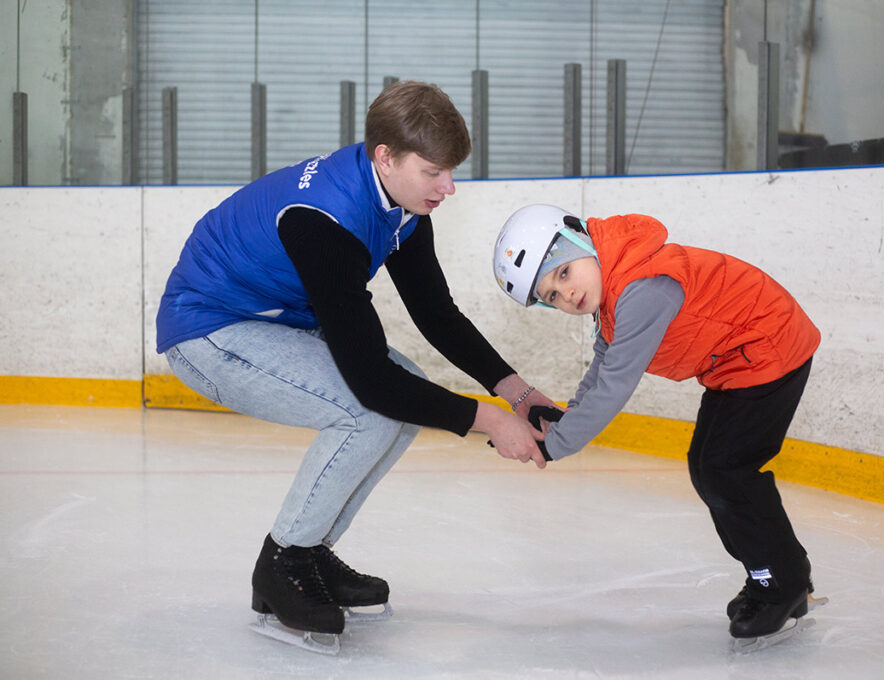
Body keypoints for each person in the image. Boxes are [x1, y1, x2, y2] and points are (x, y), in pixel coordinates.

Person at [155, 82, 555, 643]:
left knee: (406, 393)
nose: (449, 188)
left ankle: (310, 553)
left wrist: (517, 393)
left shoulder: (403, 202)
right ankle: (283, 566)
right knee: (370, 409)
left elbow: (435, 313)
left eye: (452, 171)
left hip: (272, 321)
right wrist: (488, 421)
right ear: (384, 157)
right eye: (434, 172)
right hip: (209, 333)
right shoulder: (323, 217)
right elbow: (370, 382)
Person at [492, 204, 822, 643]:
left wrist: (557, 443)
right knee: (709, 468)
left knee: (726, 471)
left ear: (581, 239)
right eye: (551, 295)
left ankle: (782, 583)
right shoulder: (613, 285)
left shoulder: (642, 287)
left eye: (565, 272)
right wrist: (566, 416)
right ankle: (773, 575)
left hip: (768, 349)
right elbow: (604, 361)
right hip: (738, 361)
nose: (566, 295)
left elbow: (614, 386)